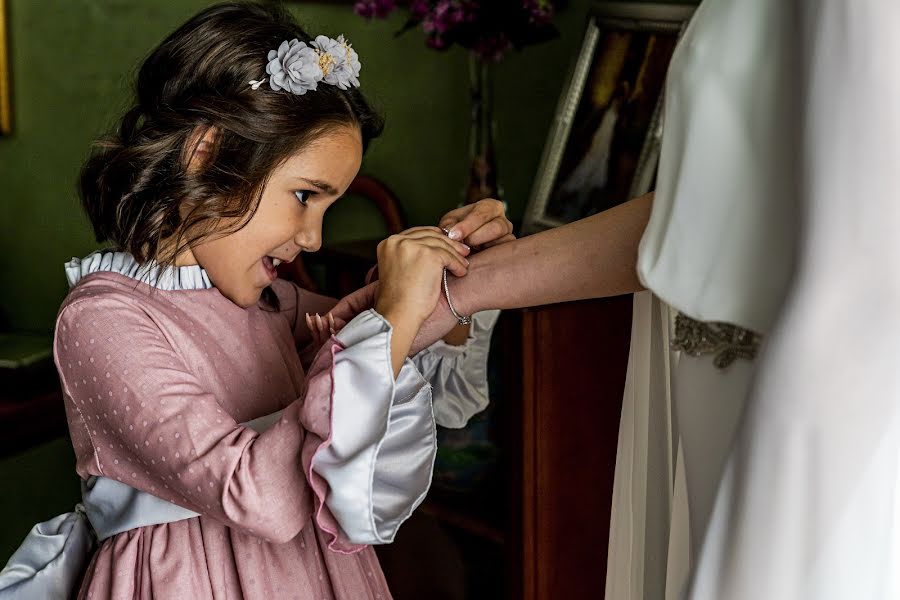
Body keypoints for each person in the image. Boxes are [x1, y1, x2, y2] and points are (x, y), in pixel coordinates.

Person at [332, 0, 900, 597]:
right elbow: (707, 205)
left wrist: (781, 510)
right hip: (725, 405)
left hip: (811, 430)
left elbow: (864, 259)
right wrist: (458, 291)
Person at [0, 3, 508, 598]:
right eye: (303, 196)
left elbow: (400, 363)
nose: (313, 237)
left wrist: (457, 270)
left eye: (328, 207)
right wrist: (390, 318)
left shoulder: (276, 306)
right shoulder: (102, 319)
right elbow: (260, 497)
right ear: (207, 152)